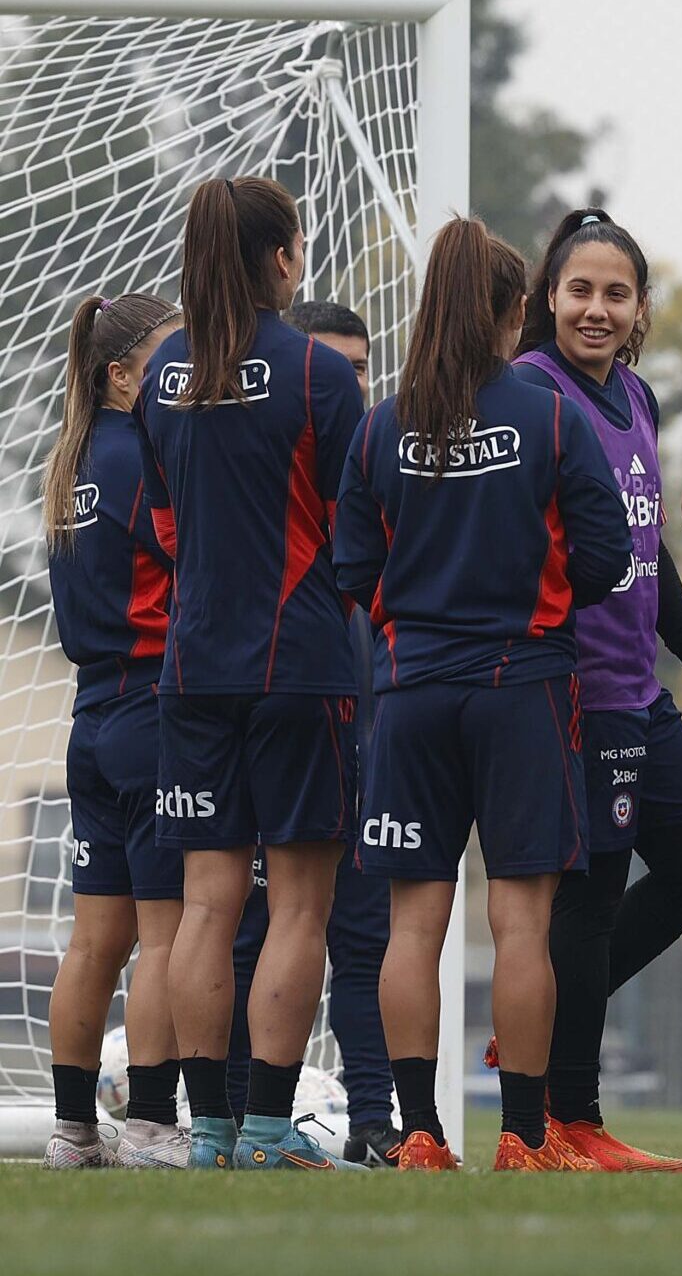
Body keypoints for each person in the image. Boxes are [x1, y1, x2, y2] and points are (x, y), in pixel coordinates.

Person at [335, 215, 630, 1172]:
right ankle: (520, 1135)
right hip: (523, 687)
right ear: (514, 313)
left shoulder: (382, 425)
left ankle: (418, 1134)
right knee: (521, 924)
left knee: (411, 925)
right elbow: (607, 557)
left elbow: (353, 567)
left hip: (412, 692)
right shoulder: (551, 417)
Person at [511, 207, 682, 1171]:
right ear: (549, 297)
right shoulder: (531, 393)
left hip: (640, 690)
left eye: (617, 293)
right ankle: (566, 1115)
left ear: (641, 308)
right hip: (569, 691)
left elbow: (649, 546)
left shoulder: (638, 399)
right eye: (580, 290)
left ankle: (544, 1026)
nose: (597, 309)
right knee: (588, 896)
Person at [136, 175, 367, 1171]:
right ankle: (270, 1134)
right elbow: (359, 530)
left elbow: (164, 527)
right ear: (282, 259)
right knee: (302, 905)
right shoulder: (321, 376)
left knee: (206, 906)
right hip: (300, 665)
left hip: (191, 669)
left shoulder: (157, 378)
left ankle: (209, 1134)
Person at [221, 299, 398, 1166]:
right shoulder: (260, 495)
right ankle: (232, 1119)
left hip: (359, 729)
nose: (349, 384)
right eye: (334, 366)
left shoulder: (383, 484)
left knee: (364, 940)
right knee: (250, 931)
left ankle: (374, 1122)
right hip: (273, 700)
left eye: (361, 368)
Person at [41, 292, 183, 1168]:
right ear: (121, 373)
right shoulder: (141, 460)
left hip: (90, 715)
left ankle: (71, 1134)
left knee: (95, 941)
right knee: (169, 933)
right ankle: (153, 1125)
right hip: (153, 708)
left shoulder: (72, 462)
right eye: (170, 357)